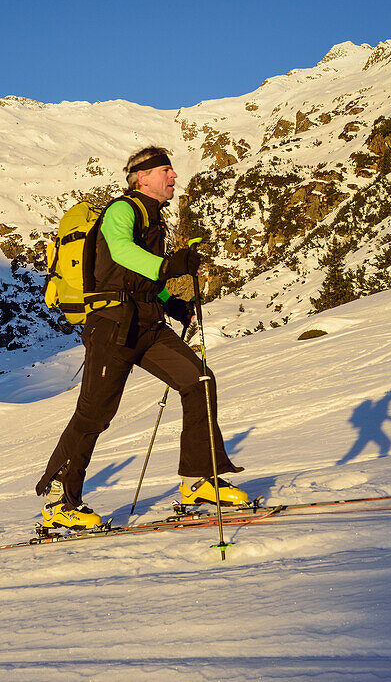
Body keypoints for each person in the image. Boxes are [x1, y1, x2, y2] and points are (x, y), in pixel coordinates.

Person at [35, 146, 247, 530]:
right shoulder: (122, 210)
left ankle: (200, 480)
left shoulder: (155, 220)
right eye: (167, 170)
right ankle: (59, 499)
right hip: (112, 326)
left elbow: (139, 278)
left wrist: (172, 303)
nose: (174, 177)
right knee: (95, 413)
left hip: (146, 323)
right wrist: (170, 266)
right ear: (142, 177)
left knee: (198, 379)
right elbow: (122, 252)